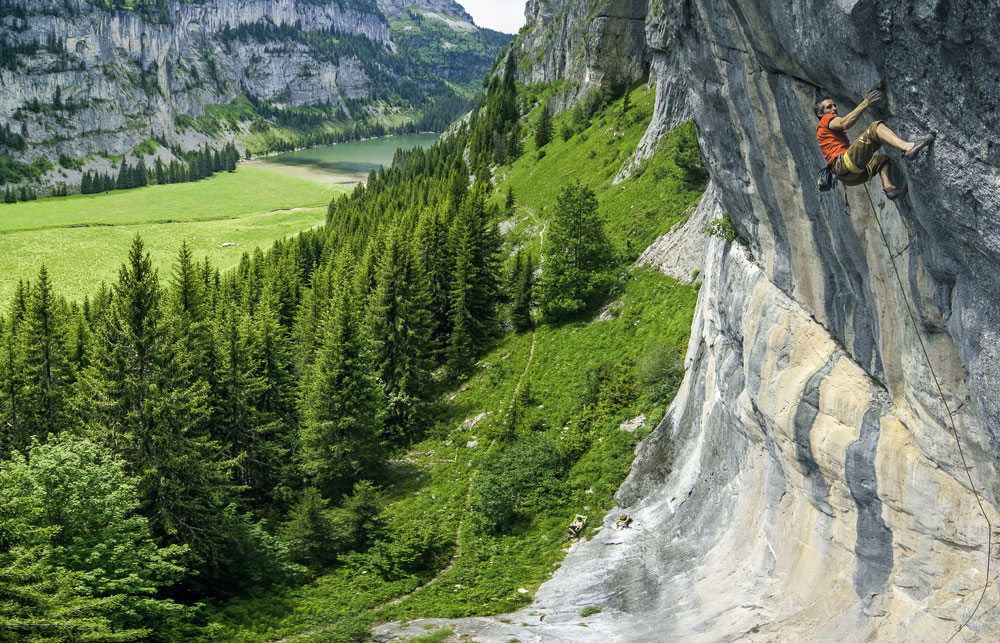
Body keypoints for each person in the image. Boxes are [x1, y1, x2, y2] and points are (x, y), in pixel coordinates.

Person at [815, 90, 935, 200]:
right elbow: (844, 123)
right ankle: (908, 147)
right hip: (844, 164)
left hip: (848, 178)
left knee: (883, 160)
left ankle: (889, 189)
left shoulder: (825, 132)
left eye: (834, 105)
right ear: (821, 114)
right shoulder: (826, 120)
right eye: (829, 107)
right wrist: (865, 102)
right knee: (875, 128)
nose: (834, 109)